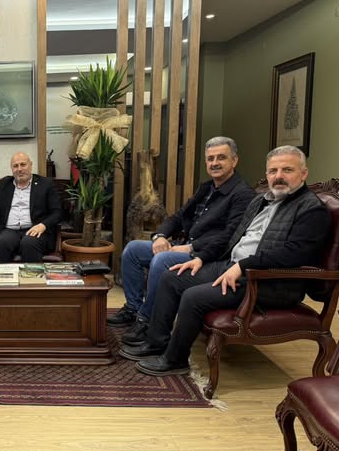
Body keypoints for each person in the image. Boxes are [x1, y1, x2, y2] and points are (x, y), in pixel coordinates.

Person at [120, 146, 332, 376]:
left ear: (303, 173)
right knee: (172, 277)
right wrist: (201, 258)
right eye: (273, 171)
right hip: (234, 267)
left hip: (269, 282)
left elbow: (294, 253)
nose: (278, 176)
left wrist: (242, 266)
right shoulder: (260, 201)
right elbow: (230, 238)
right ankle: (156, 342)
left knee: (193, 296)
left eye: (287, 170)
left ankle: (175, 359)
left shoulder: (311, 209)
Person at [108, 136, 255, 345]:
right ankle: (133, 309)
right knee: (133, 250)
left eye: (221, 158)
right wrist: (160, 236)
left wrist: (191, 248)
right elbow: (178, 217)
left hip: (210, 256)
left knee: (161, 260)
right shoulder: (206, 188)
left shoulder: (243, 194)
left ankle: (147, 321)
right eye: (210, 158)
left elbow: (230, 236)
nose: (215, 163)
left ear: (234, 160)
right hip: (186, 246)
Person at [0, 152, 62, 263]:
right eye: (15, 166)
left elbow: (57, 212)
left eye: (23, 164)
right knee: (2, 243)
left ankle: (32, 275)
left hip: (35, 230)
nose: (19, 169)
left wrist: (43, 225)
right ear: (12, 169)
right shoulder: (4, 184)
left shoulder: (45, 184)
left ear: (30, 165)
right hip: (9, 231)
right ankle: (0, 275)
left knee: (29, 243)